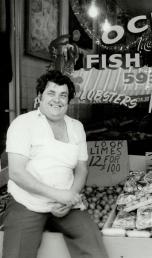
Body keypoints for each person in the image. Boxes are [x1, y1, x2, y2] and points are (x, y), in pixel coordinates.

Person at [3, 70, 108, 258]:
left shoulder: (76, 127)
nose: (57, 100)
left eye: (63, 95)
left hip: (67, 204)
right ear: (39, 97)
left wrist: (70, 197)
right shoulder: (23, 124)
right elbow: (17, 173)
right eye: (51, 93)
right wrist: (60, 195)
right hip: (27, 201)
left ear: (68, 100)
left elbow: (82, 168)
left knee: (95, 251)